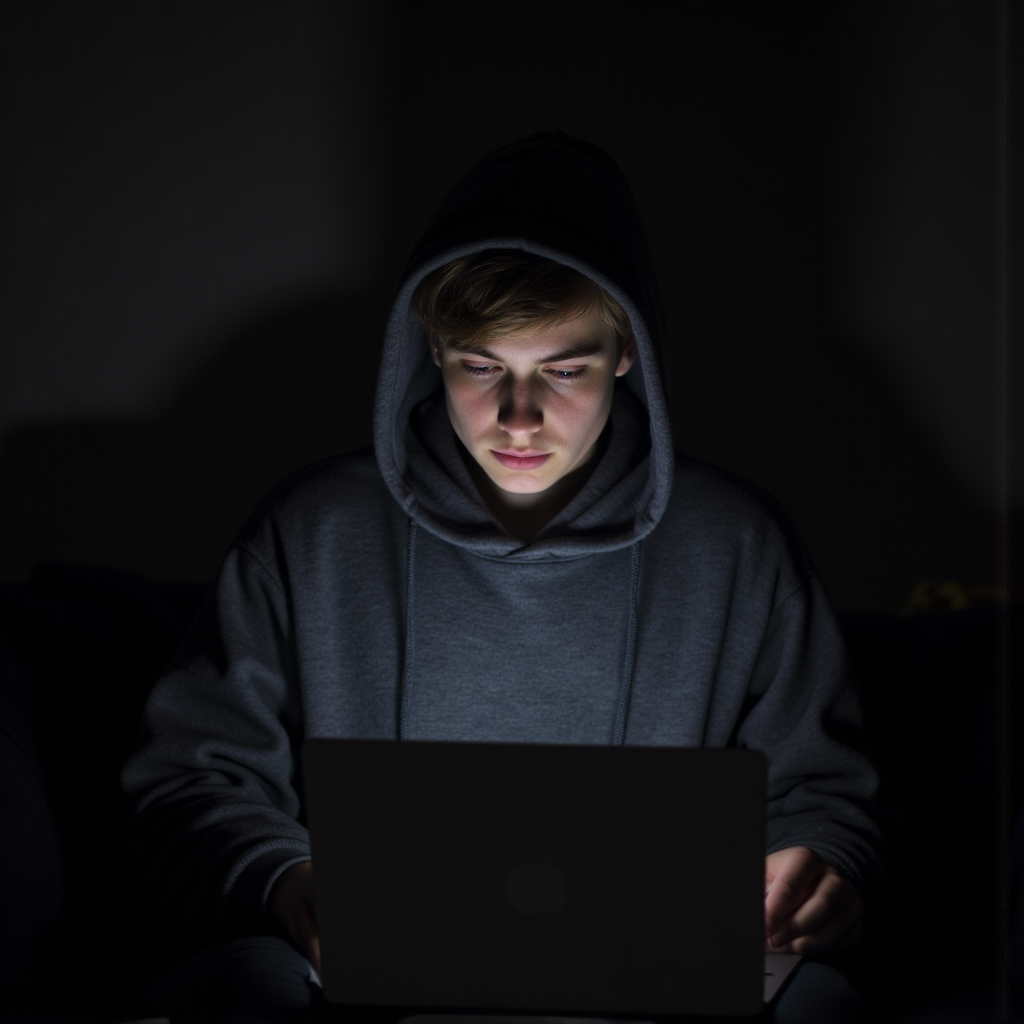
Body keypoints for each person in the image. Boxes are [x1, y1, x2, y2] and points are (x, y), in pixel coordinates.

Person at [122, 132, 888, 1023]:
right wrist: (284, 877)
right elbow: (186, 781)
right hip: (362, 987)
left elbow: (827, 796)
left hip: (654, 989)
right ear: (432, 354)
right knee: (239, 990)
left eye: (564, 371)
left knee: (821, 1008)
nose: (518, 419)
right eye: (481, 368)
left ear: (626, 354)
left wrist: (821, 861)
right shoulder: (311, 533)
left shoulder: (741, 548)